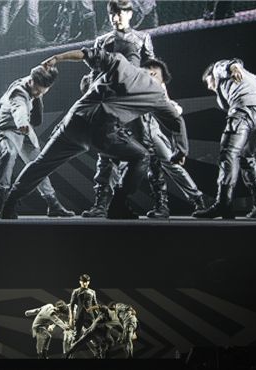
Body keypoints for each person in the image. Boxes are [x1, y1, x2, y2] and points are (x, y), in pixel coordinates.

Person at [0, 47, 188, 219]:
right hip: (103, 133)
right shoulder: (157, 95)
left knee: (42, 164)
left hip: (74, 123)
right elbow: (176, 121)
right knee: (141, 156)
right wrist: (181, 150)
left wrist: (57, 58)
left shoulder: (119, 62)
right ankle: (118, 204)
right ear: (156, 75)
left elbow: (85, 53)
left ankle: (9, 204)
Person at [82, 0, 157, 219]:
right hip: (109, 106)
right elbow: (94, 74)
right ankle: (101, 204)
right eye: (112, 14)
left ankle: (159, 203)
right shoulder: (102, 41)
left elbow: (153, 70)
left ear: (130, 14)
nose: (115, 18)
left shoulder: (143, 38)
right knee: (106, 155)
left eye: (120, 13)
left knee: (146, 150)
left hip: (135, 105)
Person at [193, 59, 256, 219]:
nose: (209, 86)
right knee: (246, 157)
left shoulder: (218, 71)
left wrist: (234, 67)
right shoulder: (254, 79)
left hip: (243, 112)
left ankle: (223, 204)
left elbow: (229, 63)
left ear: (211, 75)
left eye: (207, 82)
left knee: (227, 154)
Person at [0, 65, 74, 218]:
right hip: (7, 131)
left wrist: (55, 60)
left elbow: (45, 67)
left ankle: (53, 204)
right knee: (9, 154)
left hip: (25, 133)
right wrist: (22, 122)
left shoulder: (39, 82)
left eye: (42, 92)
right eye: (36, 90)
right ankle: (0, 204)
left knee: (39, 165)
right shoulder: (18, 91)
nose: (38, 94)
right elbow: (19, 108)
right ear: (30, 82)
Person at [137, 59, 206, 218]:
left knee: (170, 164)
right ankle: (161, 206)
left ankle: (197, 199)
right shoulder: (139, 80)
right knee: (152, 169)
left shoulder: (157, 86)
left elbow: (170, 111)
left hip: (150, 130)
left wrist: (174, 108)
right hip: (137, 130)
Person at [69, 274, 98, 343]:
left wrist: (98, 315)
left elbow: (95, 304)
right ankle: (70, 352)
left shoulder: (92, 292)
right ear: (80, 282)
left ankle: (98, 352)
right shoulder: (76, 291)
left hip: (90, 316)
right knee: (76, 336)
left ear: (88, 282)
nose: (85, 283)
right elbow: (71, 305)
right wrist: (71, 318)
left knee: (93, 334)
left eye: (86, 281)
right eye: (83, 281)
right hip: (79, 316)